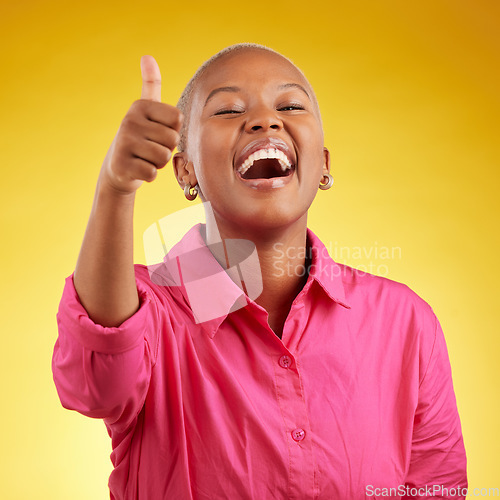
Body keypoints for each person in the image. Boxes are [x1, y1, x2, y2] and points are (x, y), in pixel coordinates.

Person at [52, 44, 467, 499]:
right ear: (185, 171)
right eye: (228, 110)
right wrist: (115, 188)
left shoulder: (405, 321)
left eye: (289, 105)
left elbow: (438, 489)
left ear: (324, 165)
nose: (265, 120)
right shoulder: (148, 310)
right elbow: (95, 384)